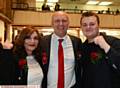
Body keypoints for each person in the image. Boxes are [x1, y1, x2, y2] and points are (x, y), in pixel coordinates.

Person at [40, 11, 82, 88]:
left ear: (68, 23)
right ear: (52, 24)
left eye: (64, 21)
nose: (61, 24)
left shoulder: (76, 42)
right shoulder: (42, 42)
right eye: (57, 21)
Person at [80, 11, 120, 88]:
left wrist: (106, 47)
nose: (88, 27)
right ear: (81, 27)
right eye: (84, 25)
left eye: (92, 24)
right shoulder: (82, 48)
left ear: (98, 25)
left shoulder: (113, 42)